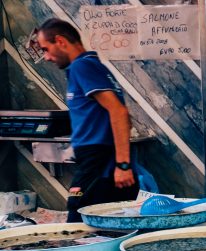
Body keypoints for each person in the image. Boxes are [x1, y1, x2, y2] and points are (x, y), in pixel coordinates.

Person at [34, 19, 138, 222]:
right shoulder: (85, 67)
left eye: (46, 49)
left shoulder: (84, 66)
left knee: (78, 221)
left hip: (99, 161)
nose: (46, 57)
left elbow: (119, 112)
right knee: (101, 226)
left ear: (61, 41)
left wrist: (123, 165)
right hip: (96, 160)